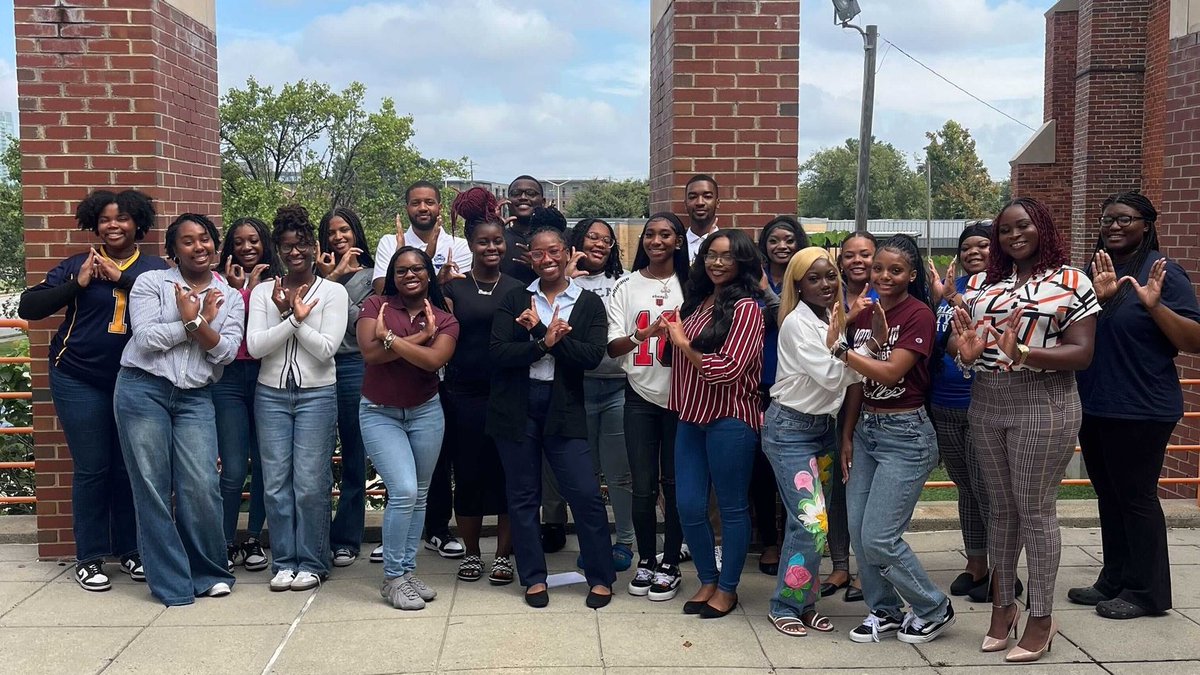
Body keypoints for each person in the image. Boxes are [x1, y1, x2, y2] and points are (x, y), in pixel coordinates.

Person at [952, 197, 1098, 661]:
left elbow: (1082, 353)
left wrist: (1025, 354)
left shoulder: (1072, 281)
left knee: (1035, 511)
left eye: (1023, 226)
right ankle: (1002, 609)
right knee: (1001, 510)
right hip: (987, 401)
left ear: (1043, 227)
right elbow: (969, 345)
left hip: (1045, 402)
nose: (1014, 236)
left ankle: (1040, 617)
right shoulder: (980, 283)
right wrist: (966, 355)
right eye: (1005, 230)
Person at [18, 189, 167, 592]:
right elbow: (29, 308)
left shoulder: (153, 268)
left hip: (133, 380)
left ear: (138, 223)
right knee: (93, 467)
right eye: (105, 219)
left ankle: (131, 550)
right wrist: (78, 283)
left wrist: (121, 278)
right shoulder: (77, 264)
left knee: (127, 467)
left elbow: (174, 300)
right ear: (94, 224)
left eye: (121, 218)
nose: (113, 225)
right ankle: (90, 556)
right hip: (78, 377)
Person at [1073, 191, 1200, 620]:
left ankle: (1147, 592)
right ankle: (1115, 577)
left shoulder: (1163, 271)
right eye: (1107, 219)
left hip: (1142, 406)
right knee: (1109, 496)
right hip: (1095, 403)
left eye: (1124, 219)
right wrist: (1101, 299)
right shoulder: (1096, 271)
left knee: (1136, 498)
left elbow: (1192, 341)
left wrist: (1154, 304)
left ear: (1146, 224)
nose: (1113, 226)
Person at [114, 213, 243, 605]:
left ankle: (209, 572)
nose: (198, 247)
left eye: (204, 238)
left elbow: (226, 351)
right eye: (188, 241)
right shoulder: (152, 283)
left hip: (194, 398)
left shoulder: (231, 296)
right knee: (152, 486)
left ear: (215, 244)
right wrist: (195, 324)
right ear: (173, 250)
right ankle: (171, 582)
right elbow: (147, 337)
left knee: (202, 484)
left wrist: (197, 323)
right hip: (142, 390)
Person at [487, 227, 616, 609]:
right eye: (539, 254)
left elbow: (590, 357)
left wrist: (540, 332)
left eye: (554, 252)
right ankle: (533, 577)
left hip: (564, 405)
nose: (547, 260)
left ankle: (601, 577)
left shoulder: (588, 302)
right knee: (524, 496)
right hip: (517, 404)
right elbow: (499, 353)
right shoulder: (514, 298)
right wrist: (545, 343)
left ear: (567, 253)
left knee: (585, 493)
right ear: (531, 257)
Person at [840, 234, 955, 645]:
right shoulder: (864, 310)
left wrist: (839, 349)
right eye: (878, 268)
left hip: (906, 434)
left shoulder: (918, 314)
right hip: (869, 429)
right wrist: (848, 434)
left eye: (895, 270)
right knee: (858, 529)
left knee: (880, 537)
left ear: (911, 275)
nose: (884, 276)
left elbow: (890, 373)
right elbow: (858, 380)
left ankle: (932, 607)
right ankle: (884, 610)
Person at [247, 205, 349, 592]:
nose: (295, 253)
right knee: (274, 482)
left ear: (315, 246)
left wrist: (294, 317)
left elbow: (325, 350)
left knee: (309, 482)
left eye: (302, 244)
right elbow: (256, 347)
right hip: (270, 394)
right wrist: (291, 317)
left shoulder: (333, 292)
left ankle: (312, 560)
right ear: (277, 248)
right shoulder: (262, 292)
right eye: (287, 246)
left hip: (317, 395)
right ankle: (284, 562)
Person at [664, 229, 764, 619]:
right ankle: (706, 579)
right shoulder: (697, 301)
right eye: (711, 254)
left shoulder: (747, 309)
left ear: (742, 262)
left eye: (726, 256)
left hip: (729, 418)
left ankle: (727, 588)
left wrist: (683, 343)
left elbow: (729, 369)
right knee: (688, 504)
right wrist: (668, 337)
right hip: (690, 414)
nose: (717, 262)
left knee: (732, 507)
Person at [762, 246, 859, 637]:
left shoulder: (832, 319)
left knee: (810, 522)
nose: (825, 284)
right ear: (798, 286)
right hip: (790, 431)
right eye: (813, 279)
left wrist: (858, 351)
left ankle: (805, 601)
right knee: (813, 522)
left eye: (830, 276)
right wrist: (869, 355)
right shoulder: (797, 325)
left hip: (822, 430)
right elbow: (834, 377)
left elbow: (848, 369)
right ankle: (784, 604)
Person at [371, 181, 470, 562]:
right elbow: (383, 288)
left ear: (439, 207)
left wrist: (434, 275)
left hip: (443, 356)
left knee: (437, 459)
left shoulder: (457, 243)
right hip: (395, 370)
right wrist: (414, 259)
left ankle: (438, 530)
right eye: (416, 202)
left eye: (429, 201)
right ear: (407, 207)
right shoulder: (388, 243)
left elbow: (453, 287)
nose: (423, 207)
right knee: (400, 473)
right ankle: (396, 538)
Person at [357, 246, 459, 610]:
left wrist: (392, 342)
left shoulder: (444, 316)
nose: (410, 275)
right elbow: (370, 354)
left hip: (425, 412)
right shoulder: (375, 307)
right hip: (380, 412)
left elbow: (433, 361)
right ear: (392, 275)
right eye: (401, 270)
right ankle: (393, 577)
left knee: (420, 493)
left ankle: (407, 571)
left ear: (428, 273)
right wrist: (415, 339)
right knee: (402, 490)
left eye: (417, 268)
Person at [607, 213, 690, 601]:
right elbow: (612, 348)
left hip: (683, 398)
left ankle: (670, 562)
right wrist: (643, 334)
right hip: (639, 393)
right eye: (651, 235)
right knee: (642, 486)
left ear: (678, 240)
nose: (657, 241)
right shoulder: (626, 285)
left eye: (666, 234)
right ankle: (646, 560)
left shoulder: (692, 284)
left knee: (675, 484)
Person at [441, 188, 523, 585]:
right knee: (469, 474)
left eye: (497, 241)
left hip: (508, 393)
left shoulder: (518, 288)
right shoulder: (453, 289)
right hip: (464, 394)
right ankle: (472, 553)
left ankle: (504, 555)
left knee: (508, 474)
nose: (492, 246)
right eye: (483, 242)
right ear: (470, 245)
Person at [927, 222, 994, 601]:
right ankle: (976, 562)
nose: (973, 252)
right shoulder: (953, 289)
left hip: (980, 403)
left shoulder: (1002, 289)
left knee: (989, 490)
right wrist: (944, 299)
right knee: (966, 487)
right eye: (966, 246)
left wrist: (955, 301)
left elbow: (985, 334)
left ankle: (1003, 571)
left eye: (982, 245)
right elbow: (937, 340)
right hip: (944, 403)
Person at [570, 218, 636, 572]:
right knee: (586, 472)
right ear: (577, 239)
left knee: (619, 472)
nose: (598, 244)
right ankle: (593, 541)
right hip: (576, 387)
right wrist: (565, 280)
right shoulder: (564, 280)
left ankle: (624, 541)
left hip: (617, 386)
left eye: (606, 241)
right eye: (592, 237)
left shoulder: (623, 282)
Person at [213, 216, 277, 572]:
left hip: (266, 376)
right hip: (228, 379)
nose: (247, 247)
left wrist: (254, 288)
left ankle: (253, 538)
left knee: (267, 463)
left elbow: (268, 324)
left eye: (253, 240)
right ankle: (224, 541)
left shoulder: (279, 281)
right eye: (239, 242)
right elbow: (221, 322)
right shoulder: (218, 282)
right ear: (230, 247)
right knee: (234, 469)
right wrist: (243, 290)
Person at [317, 207, 374, 568]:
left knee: (354, 455)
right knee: (315, 459)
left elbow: (360, 328)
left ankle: (347, 539)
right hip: (316, 367)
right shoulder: (312, 274)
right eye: (332, 233)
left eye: (345, 231)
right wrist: (325, 279)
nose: (338, 238)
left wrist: (335, 284)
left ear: (356, 234)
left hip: (354, 366)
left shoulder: (372, 277)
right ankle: (316, 537)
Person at [821, 230, 877, 602]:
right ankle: (840, 566)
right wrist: (846, 318)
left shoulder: (884, 295)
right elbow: (825, 347)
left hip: (874, 404)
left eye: (866, 254)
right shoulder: (831, 297)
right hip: (830, 401)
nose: (858, 261)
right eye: (851, 255)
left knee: (863, 491)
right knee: (834, 489)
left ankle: (866, 570)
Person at [753, 216, 809, 576]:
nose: (782, 246)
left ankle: (796, 544)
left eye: (789, 239)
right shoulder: (750, 280)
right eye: (774, 240)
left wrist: (766, 292)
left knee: (795, 474)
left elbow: (788, 319)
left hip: (795, 388)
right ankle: (770, 542)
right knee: (759, 471)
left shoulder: (807, 280)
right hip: (757, 382)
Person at [499, 175, 549, 284]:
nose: (523, 197)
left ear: (543, 202)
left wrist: (540, 266)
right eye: (516, 193)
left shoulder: (560, 237)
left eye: (531, 193)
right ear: (508, 202)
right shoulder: (498, 240)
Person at [683, 174, 720, 262]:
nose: (700, 203)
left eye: (707, 197)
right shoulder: (675, 246)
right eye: (693, 197)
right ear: (685, 204)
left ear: (717, 203)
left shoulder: (731, 245)